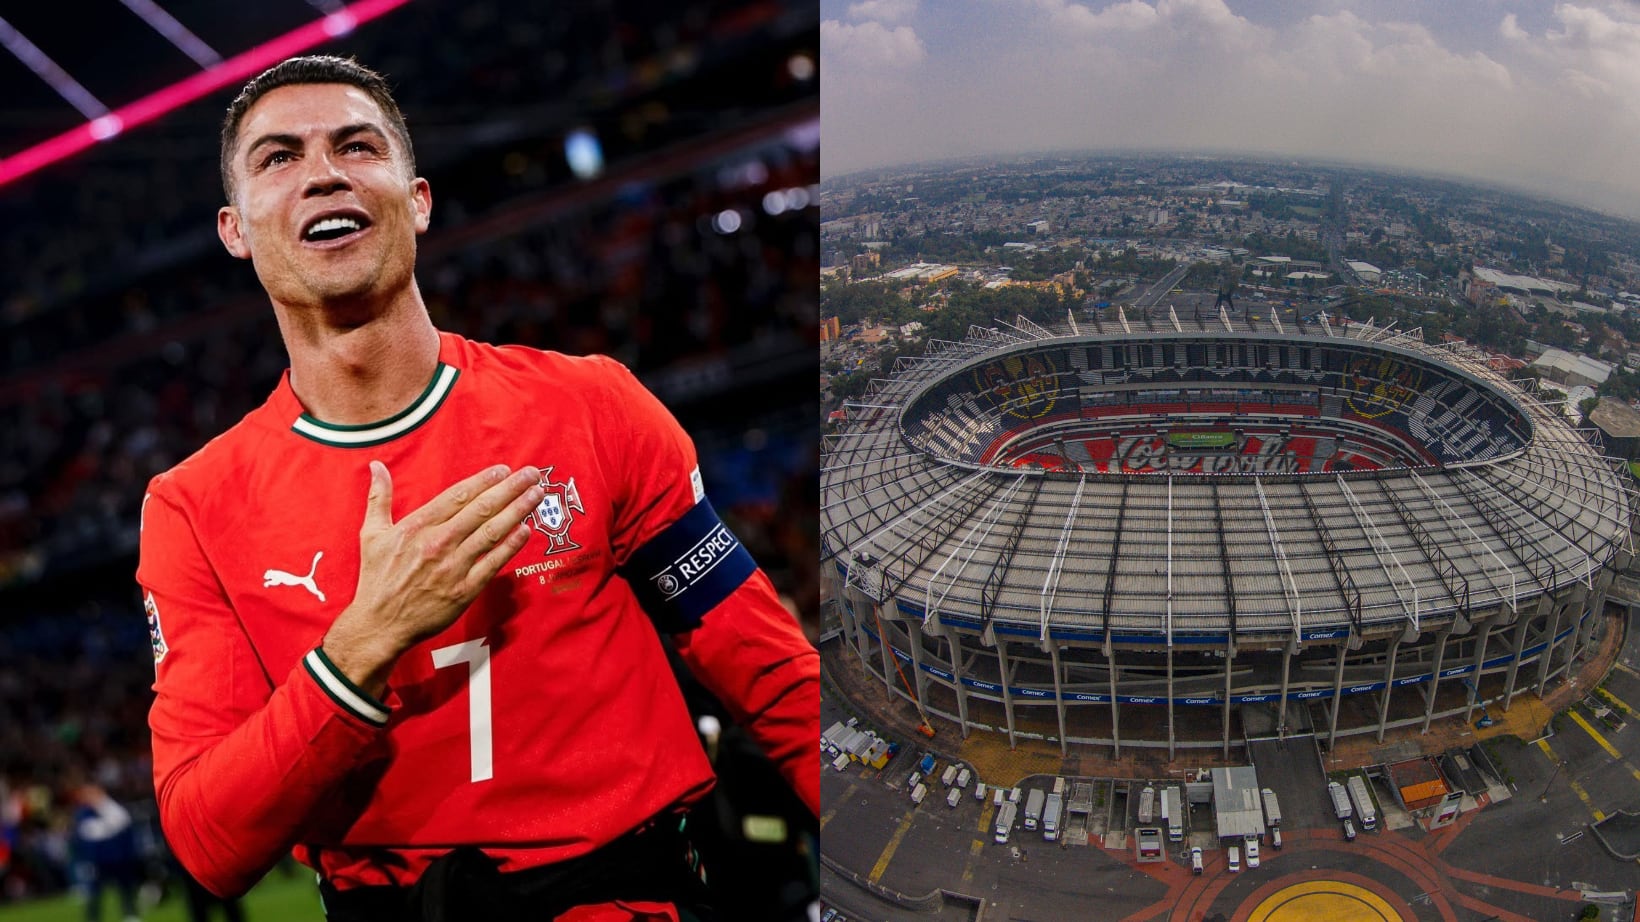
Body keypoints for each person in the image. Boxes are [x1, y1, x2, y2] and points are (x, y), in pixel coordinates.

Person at [136, 55, 818, 922]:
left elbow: (774, 677)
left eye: (357, 145)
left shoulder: (591, 406)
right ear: (235, 230)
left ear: (418, 200)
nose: (324, 173)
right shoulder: (193, 508)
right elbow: (209, 845)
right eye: (279, 157)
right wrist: (361, 647)